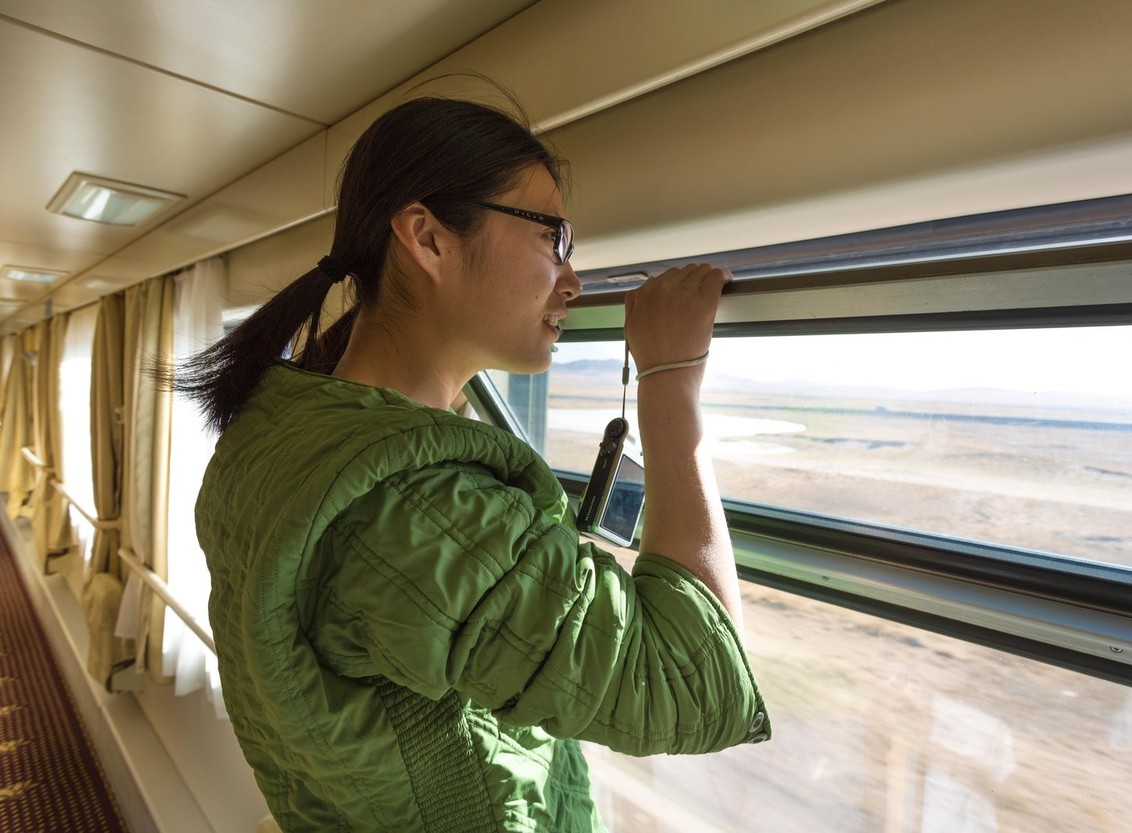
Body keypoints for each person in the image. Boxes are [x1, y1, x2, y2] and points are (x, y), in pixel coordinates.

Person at [182, 95, 769, 832]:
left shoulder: (284, 427)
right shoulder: (409, 507)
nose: (573, 279)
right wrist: (671, 385)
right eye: (554, 238)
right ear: (427, 237)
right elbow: (693, 684)